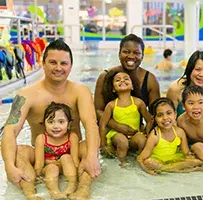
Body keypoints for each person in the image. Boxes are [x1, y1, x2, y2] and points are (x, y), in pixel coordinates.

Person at [1, 39, 101, 200]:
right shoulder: (25, 95)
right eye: (53, 62)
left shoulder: (81, 91)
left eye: (64, 63)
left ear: (71, 66)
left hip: (73, 153)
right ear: (43, 63)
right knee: (19, 152)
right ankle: (31, 194)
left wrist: (91, 156)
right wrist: (9, 166)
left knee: (89, 148)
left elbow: (91, 126)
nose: (58, 68)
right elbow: (10, 130)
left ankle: (82, 190)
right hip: (42, 155)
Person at [94, 33, 160, 133]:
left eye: (136, 53)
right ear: (119, 54)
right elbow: (97, 111)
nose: (131, 56)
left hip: (136, 131)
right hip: (109, 129)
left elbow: (156, 114)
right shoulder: (105, 77)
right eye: (126, 52)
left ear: (142, 56)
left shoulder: (150, 80)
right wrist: (117, 126)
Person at [137, 98, 203, 175]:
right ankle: (177, 170)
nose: (165, 118)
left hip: (173, 160)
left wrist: (191, 160)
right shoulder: (154, 136)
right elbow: (140, 159)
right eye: (160, 115)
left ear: (175, 114)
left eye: (169, 113)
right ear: (155, 119)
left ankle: (168, 170)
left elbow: (186, 153)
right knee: (149, 162)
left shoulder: (179, 132)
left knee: (197, 161)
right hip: (159, 162)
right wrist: (147, 171)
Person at [99, 70, 152, 167]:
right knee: (122, 142)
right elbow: (102, 124)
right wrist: (103, 144)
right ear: (113, 89)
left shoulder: (138, 102)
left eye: (126, 79)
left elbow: (149, 120)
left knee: (142, 140)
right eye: (118, 80)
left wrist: (147, 134)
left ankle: (141, 160)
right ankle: (122, 163)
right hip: (116, 135)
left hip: (134, 133)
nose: (122, 81)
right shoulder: (111, 105)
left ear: (132, 86)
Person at [34, 102, 79, 199]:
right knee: (52, 168)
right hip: (49, 169)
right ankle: (54, 192)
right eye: (50, 122)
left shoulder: (72, 137)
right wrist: (38, 177)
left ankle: (70, 188)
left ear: (69, 124)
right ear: (44, 123)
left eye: (61, 122)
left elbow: (75, 162)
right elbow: (39, 164)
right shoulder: (41, 139)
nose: (55, 126)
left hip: (66, 167)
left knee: (66, 157)